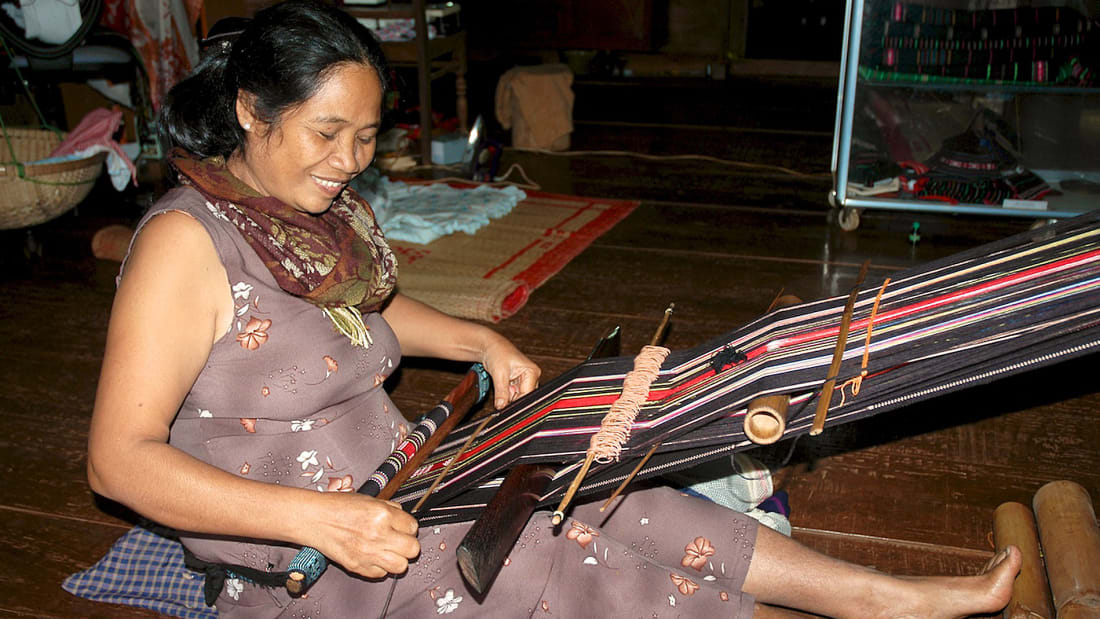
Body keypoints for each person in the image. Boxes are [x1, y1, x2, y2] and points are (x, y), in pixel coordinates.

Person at [86, 2, 1021, 617]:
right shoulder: (184, 244)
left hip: (403, 480)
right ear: (252, 110)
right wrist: (316, 522)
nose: (346, 160)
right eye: (326, 132)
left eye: (366, 139)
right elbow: (119, 462)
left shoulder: (311, 219)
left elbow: (358, 315)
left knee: (611, 491)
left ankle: (871, 593)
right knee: (565, 558)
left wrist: (477, 338)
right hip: (316, 562)